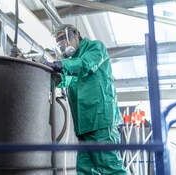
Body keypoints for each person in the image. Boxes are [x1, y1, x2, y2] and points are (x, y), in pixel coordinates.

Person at [45, 24, 127, 175]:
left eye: (63, 38)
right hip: (83, 126)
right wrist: (43, 72)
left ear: (76, 35)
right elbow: (63, 80)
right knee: (85, 170)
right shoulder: (71, 63)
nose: (62, 43)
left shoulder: (95, 48)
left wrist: (61, 64)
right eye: (58, 41)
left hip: (100, 121)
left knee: (110, 167)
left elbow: (86, 64)